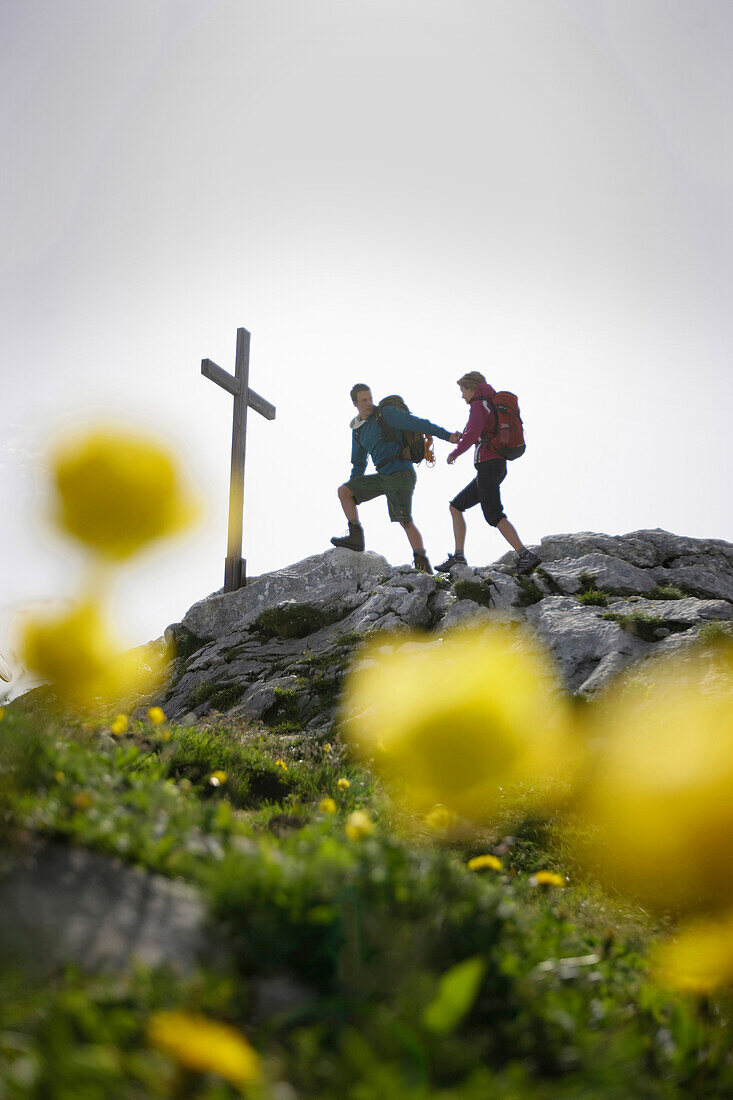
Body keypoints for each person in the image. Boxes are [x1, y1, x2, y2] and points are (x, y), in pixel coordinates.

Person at [331, 384, 460, 573]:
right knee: (344, 491)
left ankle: (422, 564)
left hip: (401, 473)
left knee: (405, 520)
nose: (368, 403)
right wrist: (355, 488)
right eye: (363, 400)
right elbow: (358, 463)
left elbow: (420, 423)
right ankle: (355, 537)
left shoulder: (386, 414)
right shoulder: (358, 430)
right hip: (383, 476)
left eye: (370, 398)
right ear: (355, 403)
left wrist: (448, 436)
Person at [436, 371, 541, 576]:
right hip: (493, 466)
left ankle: (525, 554)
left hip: (489, 465)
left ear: (470, 387)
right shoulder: (487, 403)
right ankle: (458, 557)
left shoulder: (479, 404)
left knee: (493, 514)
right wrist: (460, 438)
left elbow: (473, 433)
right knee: (456, 506)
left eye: (462, 390)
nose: (462, 395)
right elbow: (473, 432)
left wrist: (455, 453)